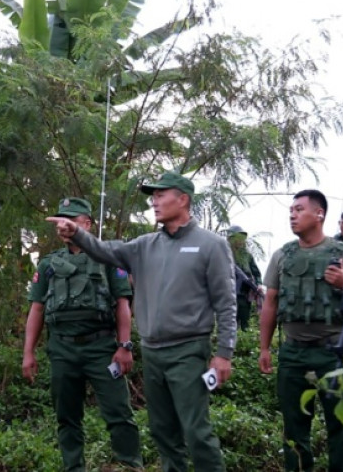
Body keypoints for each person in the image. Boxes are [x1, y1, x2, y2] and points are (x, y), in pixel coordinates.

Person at [46, 172, 235, 472]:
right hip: (153, 351)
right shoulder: (144, 246)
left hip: (188, 349)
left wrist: (224, 353)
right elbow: (105, 250)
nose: (154, 202)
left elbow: (226, 302)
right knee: (162, 430)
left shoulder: (210, 245)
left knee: (196, 431)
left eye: (161, 195)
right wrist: (77, 233)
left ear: (183, 199)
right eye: (153, 196)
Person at [22, 197, 142, 471]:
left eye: (71, 221)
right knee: (67, 417)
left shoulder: (108, 260)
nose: (64, 226)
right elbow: (37, 310)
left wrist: (125, 346)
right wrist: (28, 352)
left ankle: (130, 465)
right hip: (62, 350)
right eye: (61, 221)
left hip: (101, 347)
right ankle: (73, 467)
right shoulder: (49, 264)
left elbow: (123, 304)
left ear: (87, 223)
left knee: (118, 413)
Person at [258, 190, 343, 472]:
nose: (292, 214)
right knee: (293, 430)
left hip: (334, 354)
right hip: (292, 354)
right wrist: (265, 348)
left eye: (299, 209)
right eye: (291, 209)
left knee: (341, 428)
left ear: (319, 214)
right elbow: (270, 302)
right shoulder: (282, 255)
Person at [226, 225, 263, 330]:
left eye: (242, 238)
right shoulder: (224, 253)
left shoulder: (247, 255)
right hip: (228, 294)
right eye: (238, 238)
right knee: (229, 324)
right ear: (230, 239)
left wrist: (259, 284)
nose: (241, 241)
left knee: (244, 324)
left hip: (244, 294)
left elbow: (256, 273)